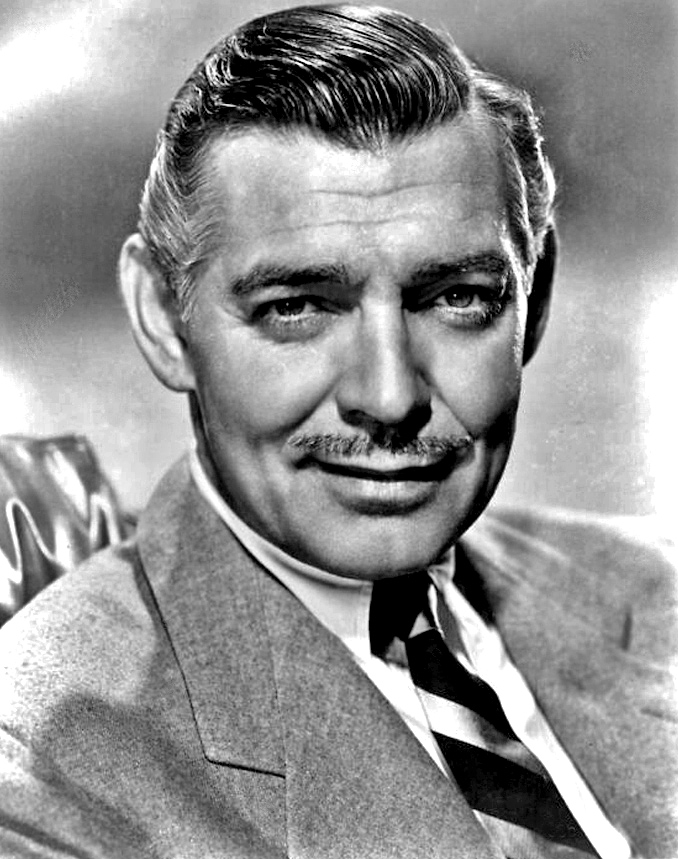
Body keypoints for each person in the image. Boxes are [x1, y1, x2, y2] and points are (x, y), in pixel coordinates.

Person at [0, 5, 675, 858]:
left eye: (458, 297)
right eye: (298, 307)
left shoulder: (660, 584)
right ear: (165, 319)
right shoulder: (39, 776)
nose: (389, 396)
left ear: (533, 301)